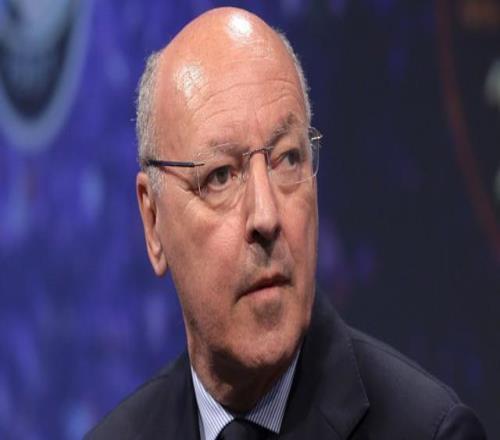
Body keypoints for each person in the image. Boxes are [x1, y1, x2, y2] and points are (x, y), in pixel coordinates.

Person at [86, 7, 486, 439]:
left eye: (288, 159)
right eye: (220, 176)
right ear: (152, 221)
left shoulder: (429, 431)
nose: (266, 216)